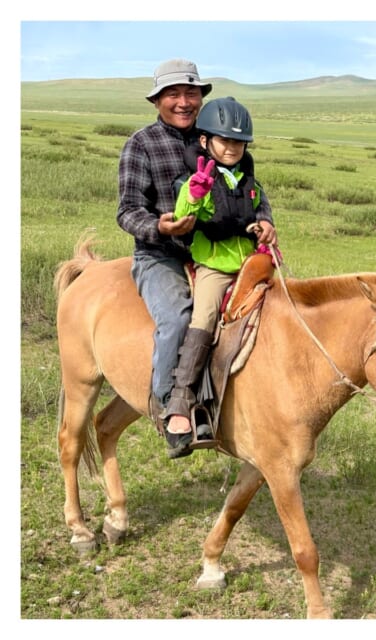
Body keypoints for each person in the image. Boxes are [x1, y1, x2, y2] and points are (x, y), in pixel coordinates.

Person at [164, 96, 277, 456]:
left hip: (250, 266)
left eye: (238, 142)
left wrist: (267, 226)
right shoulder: (195, 177)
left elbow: (263, 208)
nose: (231, 148)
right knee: (205, 317)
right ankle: (181, 401)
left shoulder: (249, 180)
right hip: (214, 267)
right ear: (204, 141)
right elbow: (184, 212)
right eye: (224, 140)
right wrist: (194, 193)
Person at [117, 59, 209, 458]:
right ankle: (169, 406)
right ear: (158, 100)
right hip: (160, 255)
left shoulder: (213, 139)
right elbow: (127, 211)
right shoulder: (141, 144)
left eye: (191, 93)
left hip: (212, 253)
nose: (183, 102)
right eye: (173, 94)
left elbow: (248, 187)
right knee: (178, 317)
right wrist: (161, 227)